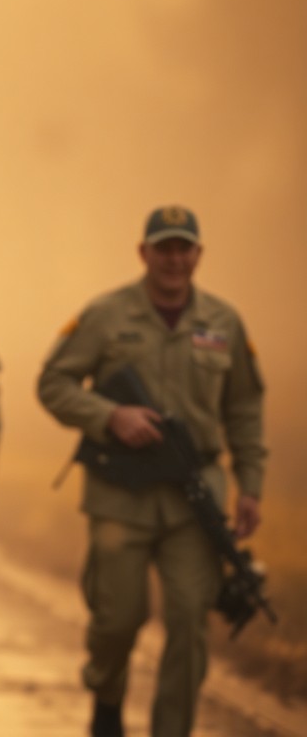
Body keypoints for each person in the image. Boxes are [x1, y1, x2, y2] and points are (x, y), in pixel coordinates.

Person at [36, 206, 266, 737]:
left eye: (184, 248)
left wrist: (250, 485)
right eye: (163, 248)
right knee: (117, 620)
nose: (174, 259)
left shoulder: (223, 322)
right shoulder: (105, 315)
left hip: (195, 498)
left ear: (199, 255)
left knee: (189, 622)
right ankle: (108, 693)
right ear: (143, 253)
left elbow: (246, 411)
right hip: (120, 496)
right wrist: (109, 416)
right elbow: (54, 383)